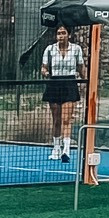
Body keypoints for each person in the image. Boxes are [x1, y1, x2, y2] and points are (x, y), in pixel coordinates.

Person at [40, 24, 86, 163]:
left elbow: (81, 67)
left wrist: (86, 82)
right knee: (56, 119)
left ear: (69, 35)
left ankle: (66, 150)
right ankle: (56, 148)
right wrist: (45, 73)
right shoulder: (49, 49)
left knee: (67, 119)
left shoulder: (76, 49)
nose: (61, 36)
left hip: (69, 83)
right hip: (54, 83)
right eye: (59, 33)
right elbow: (43, 67)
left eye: (63, 33)